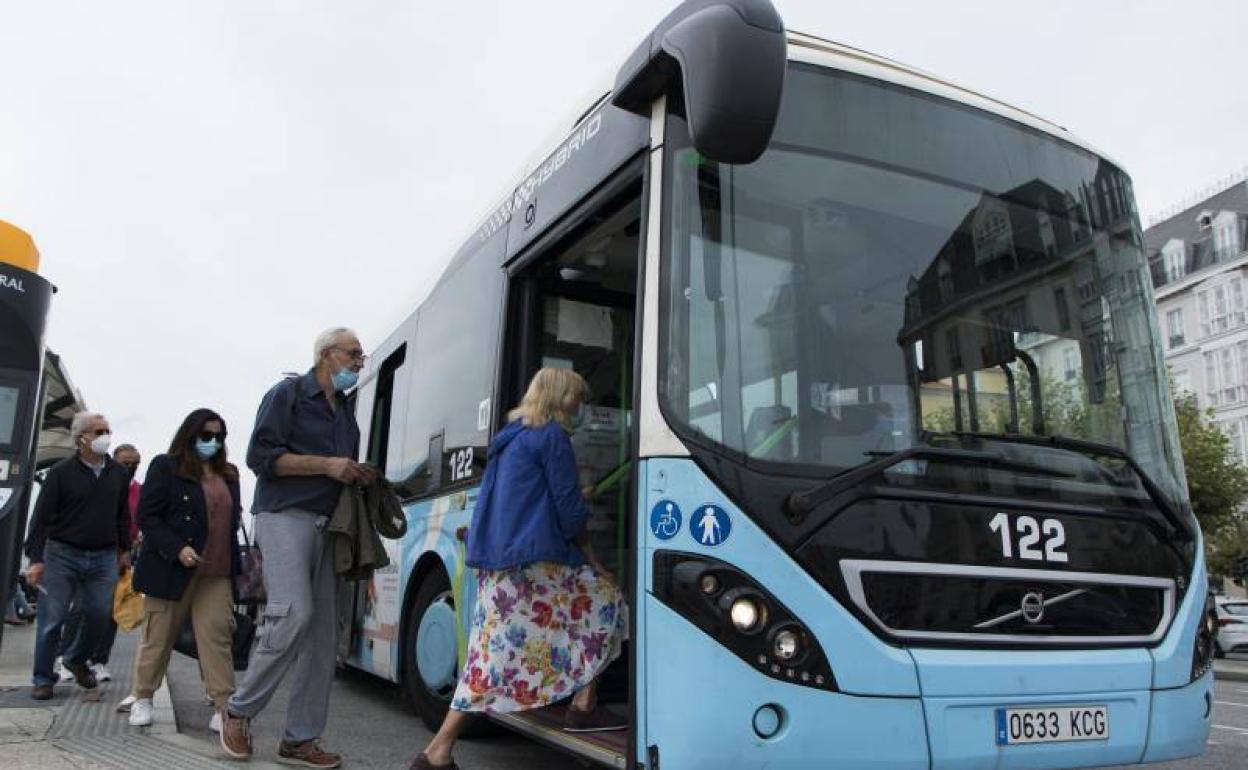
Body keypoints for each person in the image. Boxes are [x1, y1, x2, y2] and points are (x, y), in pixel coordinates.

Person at [411, 367, 629, 770]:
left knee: (492, 652)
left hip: (499, 560)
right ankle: (583, 704)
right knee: (607, 601)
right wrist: (594, 559)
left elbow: (522, 499)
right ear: (562, 398)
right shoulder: (552, 438)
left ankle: (438, 752)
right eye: (577, 397)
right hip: (534, 560)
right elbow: (568, 512)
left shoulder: (509, 440)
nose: (581, 406)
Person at [219, 327, 376, 768]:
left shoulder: (347, 413)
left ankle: (299, 739)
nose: (360, 363)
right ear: (328, 354)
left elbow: (339, 471)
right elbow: (260, 457)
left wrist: (355, 473)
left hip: (331, 526)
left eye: (361, 356)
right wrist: (328, 465)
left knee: (324, 637)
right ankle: (238, 710)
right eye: (354, 354)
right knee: (293, 614)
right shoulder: (287, 394)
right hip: (285, 515)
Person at [121, 410, 241, 727]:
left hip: (217, 571)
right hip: (171, 568)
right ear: (190, 435)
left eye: (219, 436)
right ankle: (143, 696)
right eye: (206, 435)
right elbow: (148, 516)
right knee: (158, 635)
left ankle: (223, 706)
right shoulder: (165, 466)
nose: (213, 442)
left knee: (217, 637)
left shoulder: (229, 474)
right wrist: (177, 548)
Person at [24, 412, 132, 700]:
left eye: (107, 430)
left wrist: (125, 551)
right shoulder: (61, 472)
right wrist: (36, 559)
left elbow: (123, 515)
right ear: (81, 437)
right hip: (62, 553)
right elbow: (41, 519)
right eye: (98, 431)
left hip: (103, 556)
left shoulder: (118, 474)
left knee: (98, 614)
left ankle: (75, 657)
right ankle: (43, 677)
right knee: (52, 618)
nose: (105, 436)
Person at [58, 443, 143, 683]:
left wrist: (130, 547)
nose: (131, 468)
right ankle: (66, 656)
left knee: (111, 611)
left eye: (135, 464)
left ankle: (98, 660)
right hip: (91, 551)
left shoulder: (140, 490)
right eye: (126, 463)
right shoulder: (101, 483)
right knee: (80, 606)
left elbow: (140, 520)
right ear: (113, 461)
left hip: (122, 555)